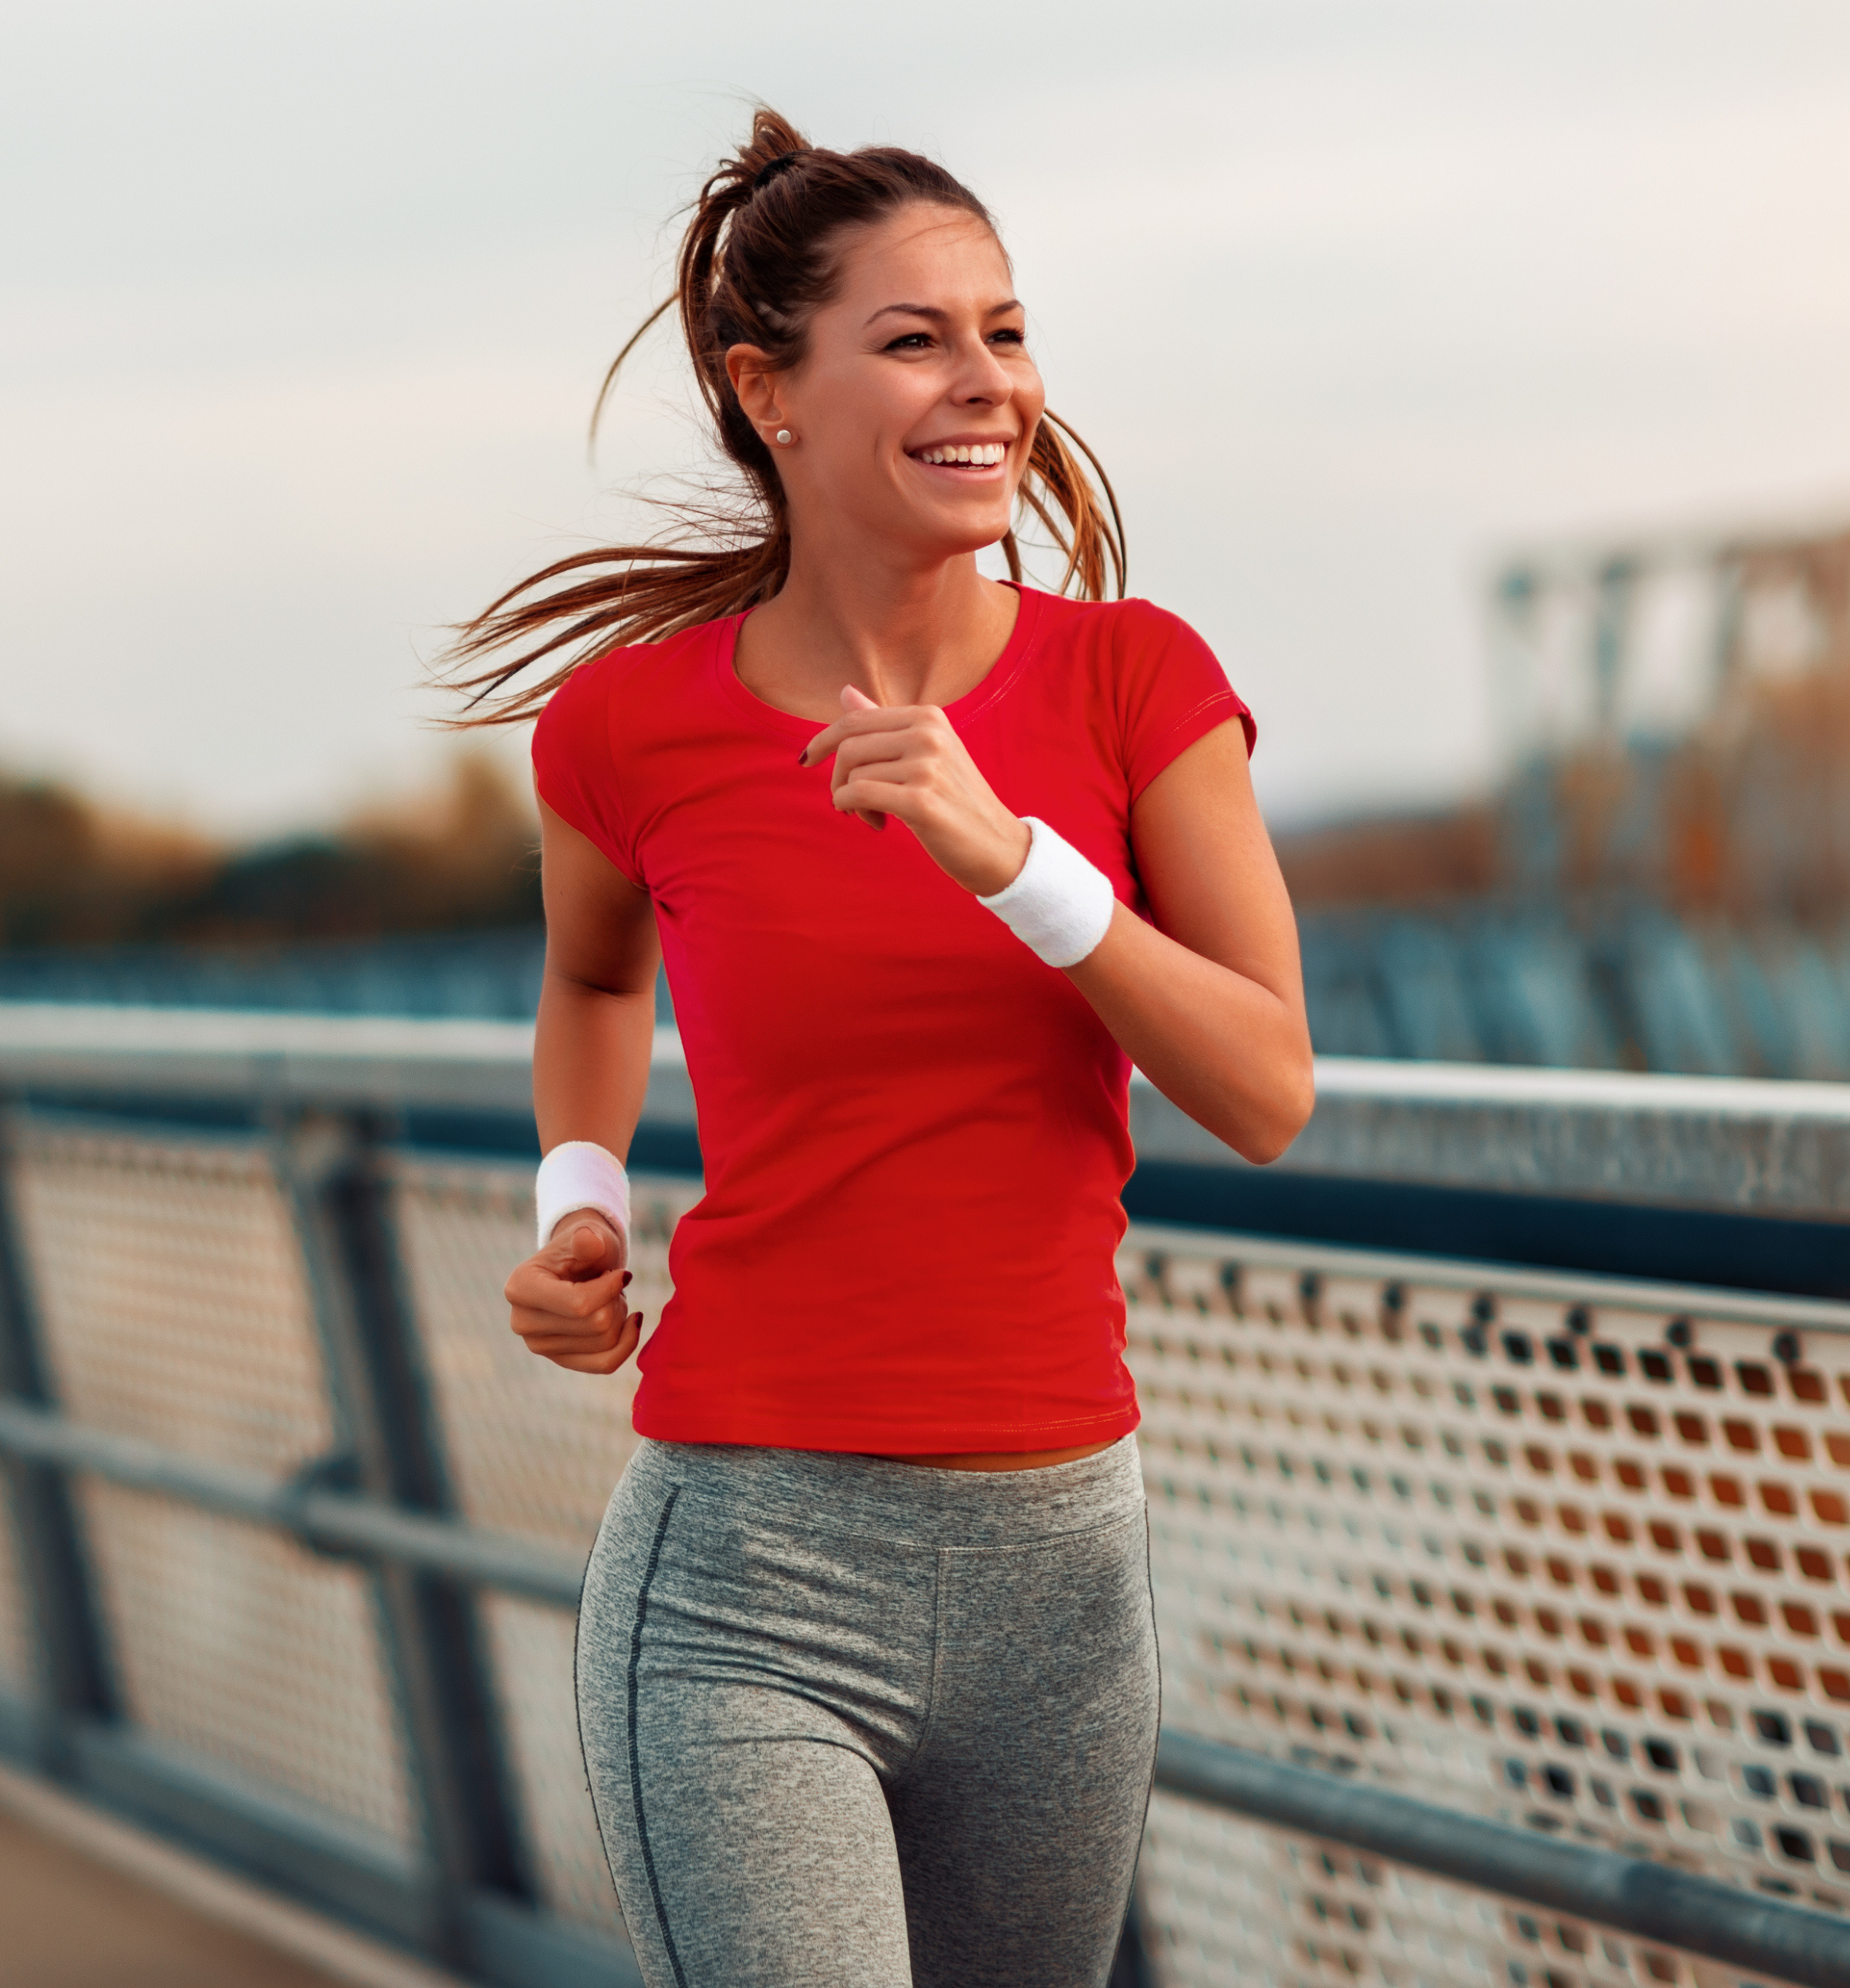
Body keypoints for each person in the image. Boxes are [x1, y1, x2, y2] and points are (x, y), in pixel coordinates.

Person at [449, 108, 1315, 1988]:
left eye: (1004, 332)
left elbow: (1261, 1086)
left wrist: (1011, 860)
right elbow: (597, 985)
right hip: (749, 1560)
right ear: (769, 392)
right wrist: (578, 1196)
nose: (983, 382)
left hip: (1062, 1575)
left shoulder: (1134, 681)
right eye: (914, 338)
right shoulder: (623, 733)